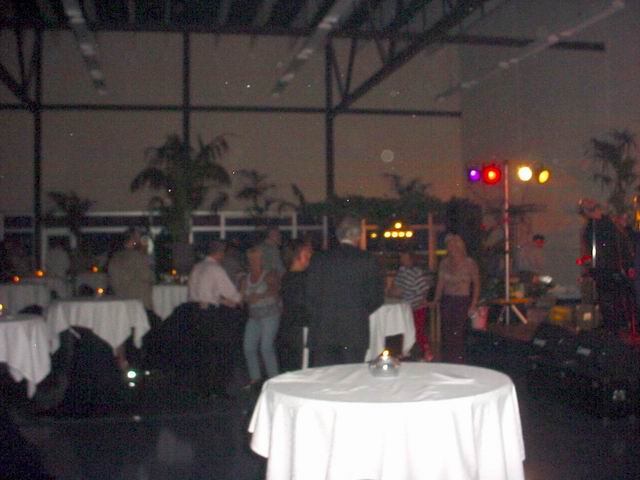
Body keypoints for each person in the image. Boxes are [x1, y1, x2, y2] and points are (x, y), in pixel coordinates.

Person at [305, 215, 385, 366]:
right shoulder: (367, 260)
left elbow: (310, 295)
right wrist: (358, 311)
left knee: (325, 376)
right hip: (353, 331)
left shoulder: (320, 259)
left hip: (323, 330)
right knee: (350, 375)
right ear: (358, 236)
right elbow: (377, 297)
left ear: (338, 235)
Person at [187, 241, 243, 396]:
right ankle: (218, 388)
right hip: (209, 314)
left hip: (194, 311)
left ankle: (202, 389)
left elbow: (199, 293)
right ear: (221, 252)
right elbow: (231, 293)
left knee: (202, 351)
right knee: (221, 350)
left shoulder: (197, 267)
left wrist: (221, 300)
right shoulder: (215, 269)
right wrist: (241, 293)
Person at [432, 234, 480, 364]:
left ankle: (459, 360)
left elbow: (476, 284)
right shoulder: (444, 263)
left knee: (459, 331)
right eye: (448, 245)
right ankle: (447, 359)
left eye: (453, 245)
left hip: (462, 300)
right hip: (448, 300)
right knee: (447, 331)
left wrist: (473, 303)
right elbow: (440, 283)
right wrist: (436, 299)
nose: (451, 248)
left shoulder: (469, 263)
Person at [241, 245, 281, 385]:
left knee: (266, 347)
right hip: (254, 317)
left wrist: (259, 296)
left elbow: (274, 291)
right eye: (251, 259)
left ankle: (274, 380)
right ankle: (255, 379)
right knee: (248, 347)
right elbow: (241, 296)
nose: (254, 261)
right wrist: (246, 298)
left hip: (270, 315)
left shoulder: (269, 274)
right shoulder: (246, 278)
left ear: (262, 259)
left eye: (256, 258)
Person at [389, 251, 434, 361]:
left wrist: (422, 301)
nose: (403, 260)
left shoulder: (417, 272)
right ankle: (406, 351)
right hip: (405, 307)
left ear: (411, 259)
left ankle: (426, 352)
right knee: (406, 329)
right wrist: (392, 291)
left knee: (418, 330)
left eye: (405, 258)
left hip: (417, 306)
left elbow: (424, 289)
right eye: (402, 258)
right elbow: (396, 285)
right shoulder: (402, 271)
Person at [278, 240, 313, 372]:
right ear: (296, 256)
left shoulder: (288, 277)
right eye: (306, 254)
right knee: (301, 369)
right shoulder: (301, 279)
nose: (310, 256)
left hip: (289, 330)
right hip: (300, 331)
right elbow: (304, 306)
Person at [108, 229, 154, 311]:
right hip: (139, 302)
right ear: (133, 240)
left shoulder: (115, 257)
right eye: (138, 238)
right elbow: (148, 276)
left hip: (120, 301)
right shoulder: (137, 256)